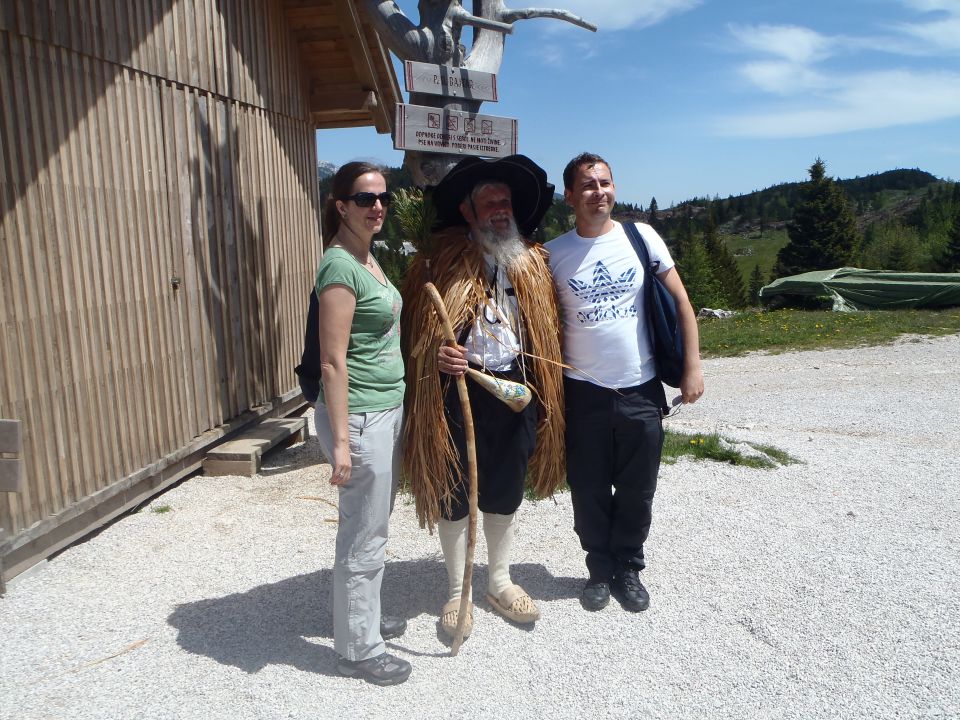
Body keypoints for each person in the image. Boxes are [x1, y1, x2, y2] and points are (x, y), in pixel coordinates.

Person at [400, 155, 565, 639]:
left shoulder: (532, 263)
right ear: (468, 211)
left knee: (505, 488)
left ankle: (498, 580)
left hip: (515, 389)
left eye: (506, 201)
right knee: (454, 490)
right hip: (453, 394)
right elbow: (414, 335)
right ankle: (457, 590)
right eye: (489, 201)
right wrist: (434, 357)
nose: (500, 209)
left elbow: (546, 333)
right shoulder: (436, 264)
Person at [546, 152, 705, 613]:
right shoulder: (553, 254)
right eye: (589, 185)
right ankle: (598, 568)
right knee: (589, 486)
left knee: (638, 487)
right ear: (570, 196)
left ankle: (628, 567)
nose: (600, 192)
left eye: (606, 183)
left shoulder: (641, 237)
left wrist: (692, 366)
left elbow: (681, 303)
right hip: (582, 390)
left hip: (640, 386)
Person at [313, 162, 411, 685]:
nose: (377, 206)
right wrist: (344, 442)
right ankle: (358, 648)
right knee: (363, 534)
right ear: (341, 205)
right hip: (363, 417)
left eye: (382, 197)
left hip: (383, 410)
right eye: (364, 197)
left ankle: (362, 619)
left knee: (374, 526)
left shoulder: (366, 258)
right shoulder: (339, 267)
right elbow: (332, 361)